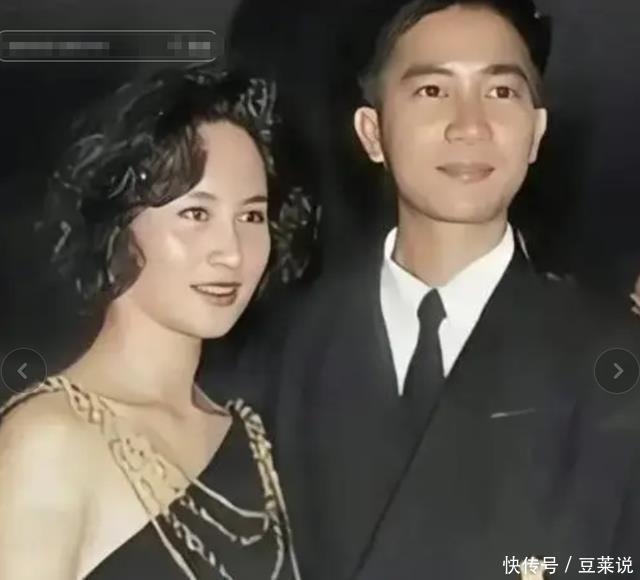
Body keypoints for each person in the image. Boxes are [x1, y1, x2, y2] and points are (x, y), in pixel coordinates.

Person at [219, 1, 640, 578]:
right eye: (432, 91)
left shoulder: (617, 360)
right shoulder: (271, 357)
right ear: (372, 132)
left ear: (536, 133)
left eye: (501, 92)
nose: (470, 126)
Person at [0, 64, 312, 580]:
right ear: (119, 224)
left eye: (252, 216)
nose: (232, 252)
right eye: (196, 214)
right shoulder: (48, 444)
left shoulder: (252, 438)